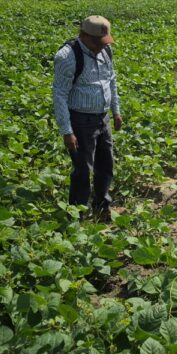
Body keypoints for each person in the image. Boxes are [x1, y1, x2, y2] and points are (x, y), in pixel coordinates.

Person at [52, 16, 122, 221]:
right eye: (97, 42)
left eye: (104, 42)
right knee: (83, 171)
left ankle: (102, 207)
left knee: (106, 165)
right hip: (80, 122)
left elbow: (111, 81)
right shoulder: (67, 57)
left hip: (103, 118)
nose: (101, 46)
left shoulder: (105, 51)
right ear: (83, 35)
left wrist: (116, 110)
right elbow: (59, 94)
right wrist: (67, 131)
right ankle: (77, 216)